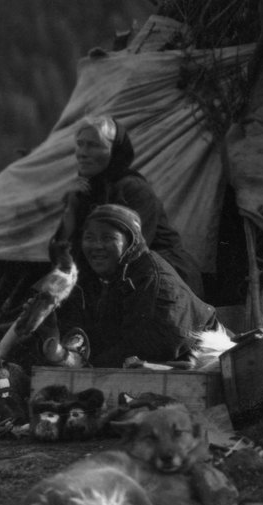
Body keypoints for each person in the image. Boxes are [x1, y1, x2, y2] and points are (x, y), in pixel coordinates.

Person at [54, 115, 203, 295]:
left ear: (114, 150)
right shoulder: (84, 192)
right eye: (80, 144)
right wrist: (71, 207)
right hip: (119, 277)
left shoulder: (133, 189)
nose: (82, 153)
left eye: (93, 145)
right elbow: (63, 253)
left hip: (161, 279)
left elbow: (131, 251)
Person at [80, 204, 220, 368]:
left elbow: (155, 346)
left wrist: (90, 365)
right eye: (89, 238)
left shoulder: (152, 279)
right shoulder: (114, 275)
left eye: (108, 238)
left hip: (204, 365)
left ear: (130, 242)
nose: (97, 246)